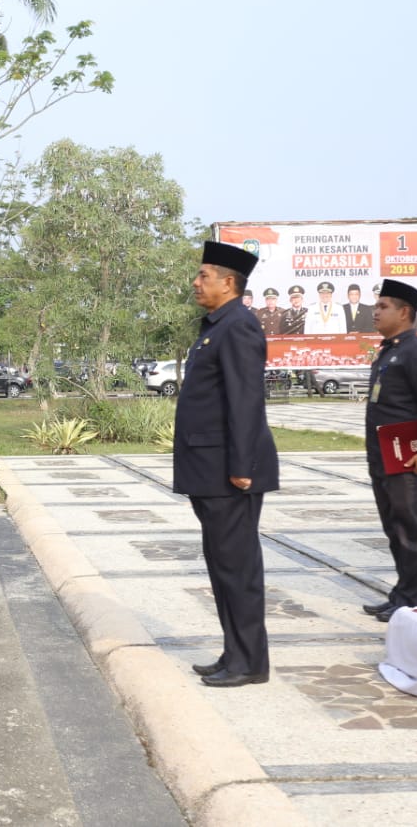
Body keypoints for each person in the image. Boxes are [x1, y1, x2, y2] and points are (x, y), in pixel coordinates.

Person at [174, 241, 279, 688]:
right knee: (222, 566)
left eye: (204, 276)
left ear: (229, 282)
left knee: (238, 568)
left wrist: (242, 466)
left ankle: (250, 662)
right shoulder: (218, 325)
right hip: (210, 469)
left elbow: (245, 401)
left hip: (228, 472)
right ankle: (234, 652)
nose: (196, 283)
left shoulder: (238, 326)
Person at [362, 279, 417, 623]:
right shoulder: (390, 349)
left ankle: (414, 599)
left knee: (412, 528)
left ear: (404, 312)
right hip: (384, 457)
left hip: (408, 459)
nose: (376, 312)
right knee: (394, 528)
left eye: (383, 307)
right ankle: (402, 593)